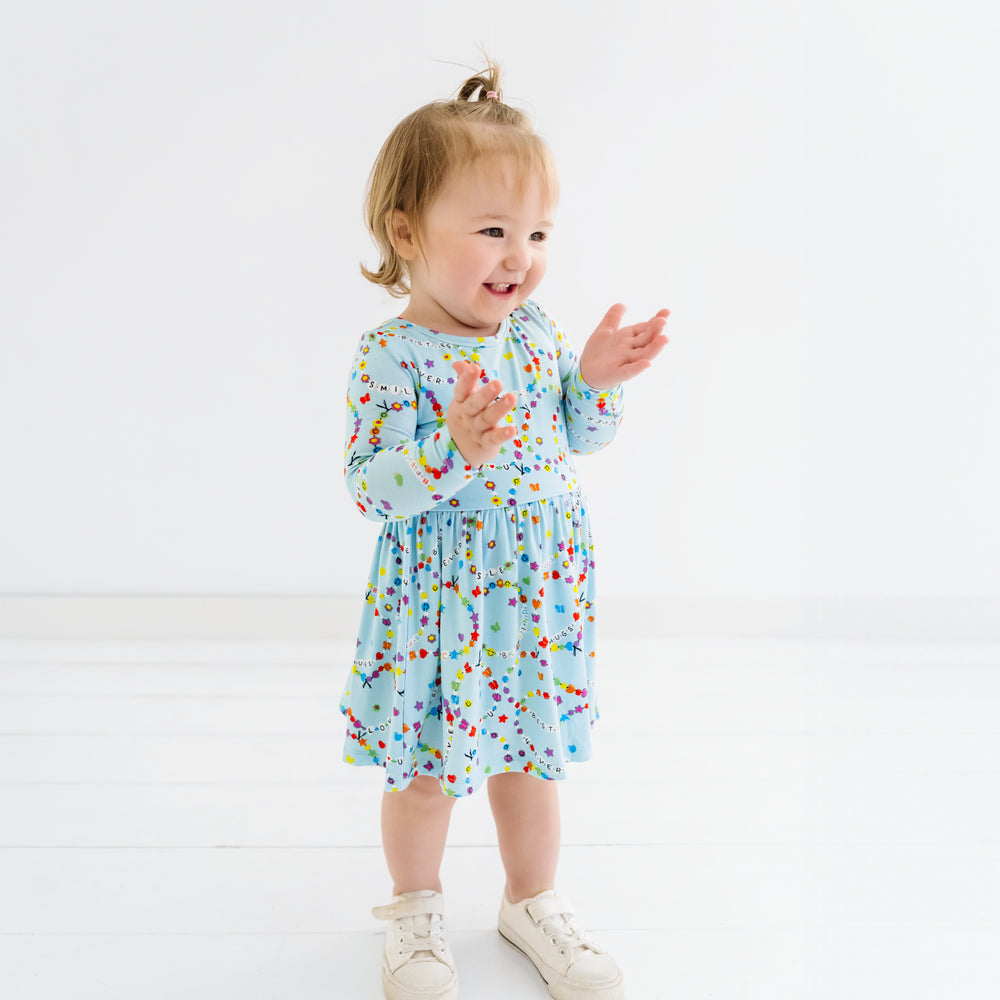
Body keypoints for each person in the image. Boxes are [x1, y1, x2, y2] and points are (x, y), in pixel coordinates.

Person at [340, 60, 669, 1000]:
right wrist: (450, 449)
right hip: (438, 606)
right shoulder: (393, 356)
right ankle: (414, 908)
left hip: (533, 597)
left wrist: (596, 383)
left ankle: (533, 901)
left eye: (535, 233)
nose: (518, 255)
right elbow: (373, 488)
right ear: (407, 232)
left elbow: (573, 433)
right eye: (491, 231)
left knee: (531, 759)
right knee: (427, 773)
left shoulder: (533, 335)